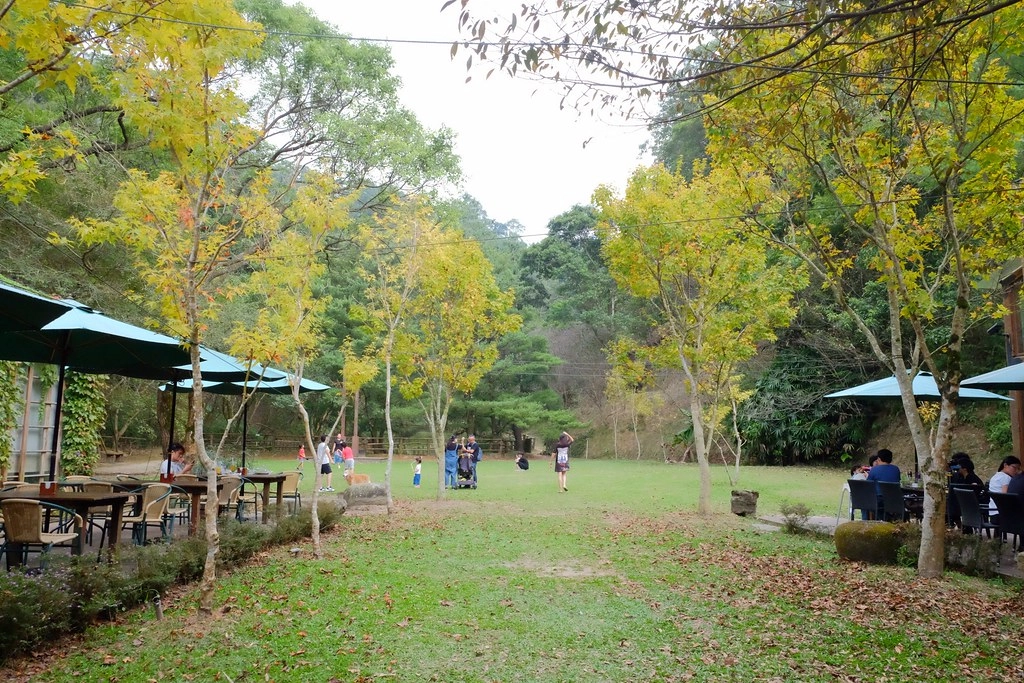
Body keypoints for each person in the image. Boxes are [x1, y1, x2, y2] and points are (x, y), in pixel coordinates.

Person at [989, 456, 1021, 521]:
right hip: (1002, 515)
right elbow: (1005, 497)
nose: (1016, 471)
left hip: (993, 513)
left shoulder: (995, 476)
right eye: (1014, 467)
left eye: (1018, 469)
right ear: (1005, 465)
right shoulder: (1006, 477)